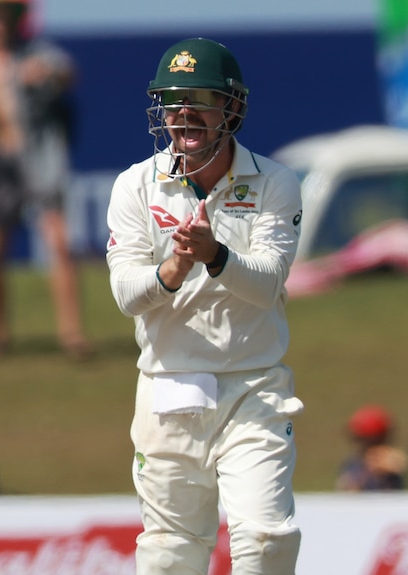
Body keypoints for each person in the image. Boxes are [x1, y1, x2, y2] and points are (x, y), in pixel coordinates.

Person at [105, 38, 304, 574]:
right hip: (169, 385)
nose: (182, 112)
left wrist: (215, 255)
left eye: (198, 97)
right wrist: (174, 267)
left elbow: (266, 285)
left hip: (253, 389)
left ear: (232, 108)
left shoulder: (275, 183)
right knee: (171, 555)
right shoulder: (134, 186)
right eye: (171, 100)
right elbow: (126, 294)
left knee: (267, 540)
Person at [0, 0, 91, 361]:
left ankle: (72, 334)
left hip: (39, 159)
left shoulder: (35, 52)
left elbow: (67, 72)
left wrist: (45, 72)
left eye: (1, 17)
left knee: (58, 242)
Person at [336, 404, 408, 491]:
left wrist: (388, 468)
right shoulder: (353, 464)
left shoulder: (391, 460)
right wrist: (367, 472)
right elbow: (346, 490)